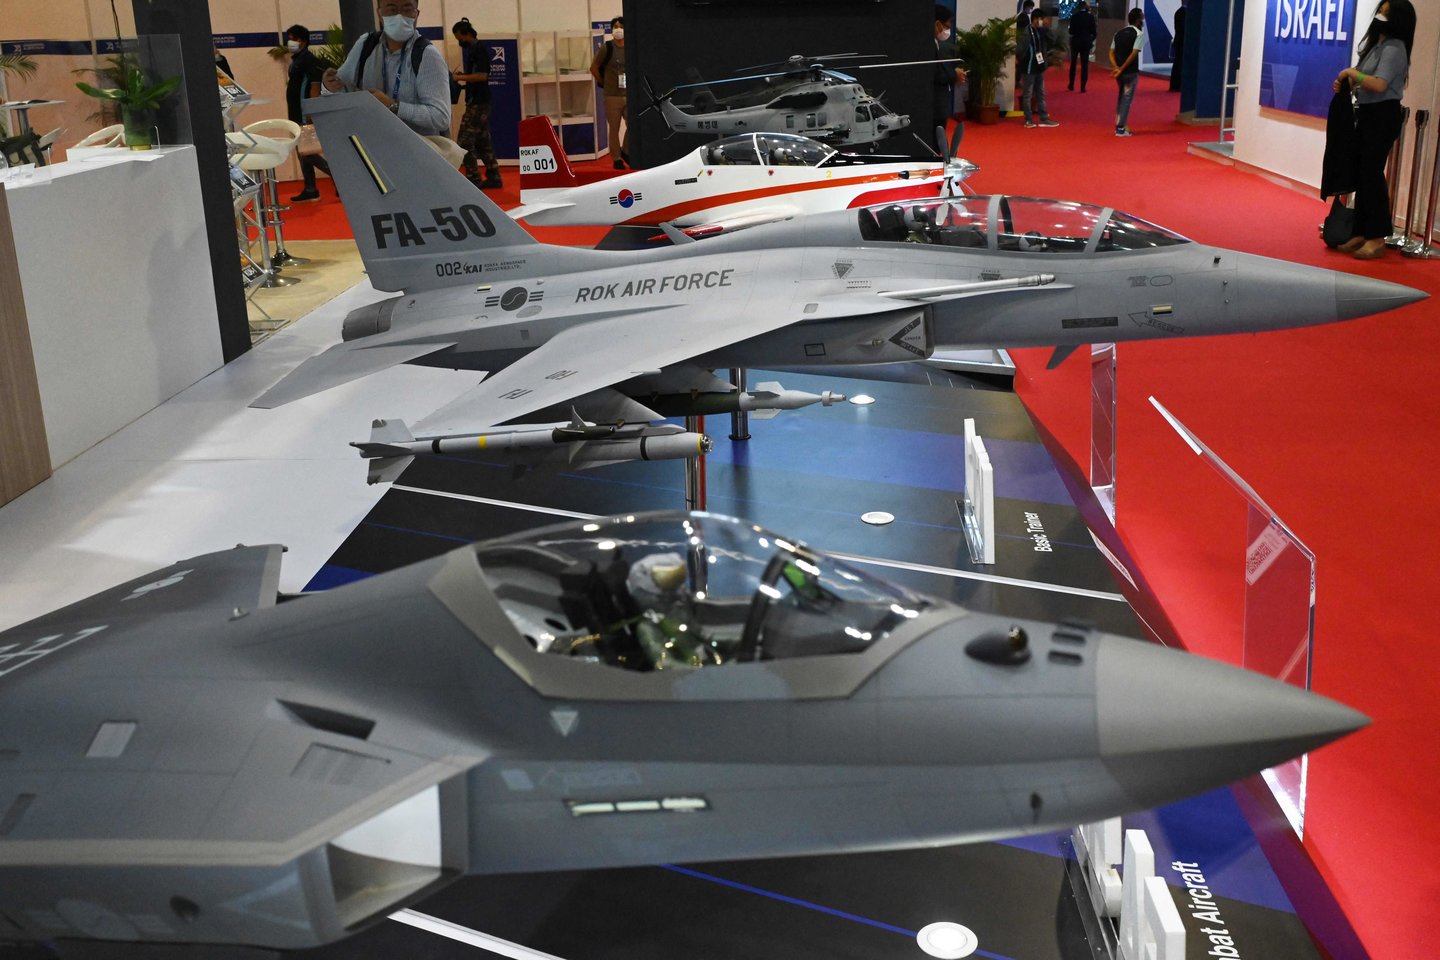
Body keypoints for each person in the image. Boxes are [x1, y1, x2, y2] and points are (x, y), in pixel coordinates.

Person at [1332, 0, 1414, 259]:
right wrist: (1348, 81)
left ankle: (1377, 235)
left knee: (1371, 172)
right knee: (1361, 172)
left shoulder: (1395, 48)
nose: (1380, 15)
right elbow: (1364, 78)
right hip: (1367, 113)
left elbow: (1379, 84)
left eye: (1386, 13)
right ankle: (1361, 230)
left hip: (1383, 115)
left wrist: (1351, 73)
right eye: (1381, 10)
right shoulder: (1376, 46)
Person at [320, 0, 451, 138]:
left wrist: (393, 105)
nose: (400, 16)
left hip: (415, 147)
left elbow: (441, 117)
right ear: (380, 14)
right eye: (392, 10)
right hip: (370, 143)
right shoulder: (366, 44)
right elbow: (342, 89)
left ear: (416, 14)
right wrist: (329, 87)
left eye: (407, 9)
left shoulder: (427, 55)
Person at [451, 17, 502, 189]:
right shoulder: (474, 50)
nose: (459, 42)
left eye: (459, 38)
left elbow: (482, 76)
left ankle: (473, 178)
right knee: (482, 141)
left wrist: (459, 77)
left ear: (467, 34)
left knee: (464, 142)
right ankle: (494, 176)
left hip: (478, 103)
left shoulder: (478, 50)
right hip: (479, 101)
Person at [284, 26, 331, 203]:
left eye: (294, 39)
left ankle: (338, 175)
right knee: (301, 150)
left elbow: (314, 86)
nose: (291, 42)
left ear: (303, 41)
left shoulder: (309, 60)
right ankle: (310, 188)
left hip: (305, 112)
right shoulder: (296, 59)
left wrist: (311, 111)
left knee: (307, 152)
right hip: (295, 111)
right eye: (289, 38)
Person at [590, 17, 628, 169]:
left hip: (629, 94)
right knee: (614, 128)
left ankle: (626, 150)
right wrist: (603, 82)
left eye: (621, 26)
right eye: (615, 27)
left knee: (633, 124)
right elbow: (594, 67)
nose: (618, 29)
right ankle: (617, 158)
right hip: (612, 95)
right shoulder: (607, 47)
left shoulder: (631, 47)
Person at [1018, 8, 1060, 127]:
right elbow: (1020, 49)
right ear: (1035, 19)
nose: (1043, 21)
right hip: (1028, 68)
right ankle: (1028, 120)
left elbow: (1053, 39)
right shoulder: (1026, 32)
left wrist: (1046, 27)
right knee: (1028, 94)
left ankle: (1044, 118)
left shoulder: (1041, 31)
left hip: (1039, 67)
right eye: (1041, 19)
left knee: (1041, 93)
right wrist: (1021, 60)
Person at [1109, 7, 1145, 136]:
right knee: (1126, 99)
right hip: (1130, 72)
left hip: (1120, 73)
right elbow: (1133, 54)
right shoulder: (1139, 34)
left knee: (1121, 97)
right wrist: (1122, 68)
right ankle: (1120, 128)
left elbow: (1111, 52)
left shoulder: (1118, 33)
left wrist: (1116, 68)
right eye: (1142, 16)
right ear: (1138, 19)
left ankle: (1120, 124)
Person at [932, 5, 968, 134]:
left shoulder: (935, 42)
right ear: (937, 24)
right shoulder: (928, 45)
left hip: (938, 106)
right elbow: (935, 74)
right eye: (947, 26)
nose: (948, 30)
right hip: (934, 107)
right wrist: (954, 74)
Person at [1068, 0, 1097, 91]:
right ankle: (1083, 86)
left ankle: (1071, 84)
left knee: (1073, 64)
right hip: (1085, 43)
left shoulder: (1074, 17)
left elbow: (1071, 31)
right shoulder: (1090, 17)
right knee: (1084, 65)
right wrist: (1090, 40)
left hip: (1076, 42)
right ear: (1085, 7)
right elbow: (1094, 32)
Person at [1168, 0, 1186, 92]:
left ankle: (1176, 85)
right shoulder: (1182, 12)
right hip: (1181, 42)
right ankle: (1176, 85)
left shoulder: (1179, 12)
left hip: (1180, 42)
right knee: (1179, 65)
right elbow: (1182, 29)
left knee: (1178, 64)